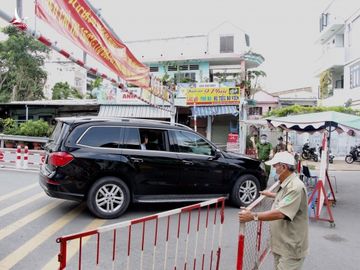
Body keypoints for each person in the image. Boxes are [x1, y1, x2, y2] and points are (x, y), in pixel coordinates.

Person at [239, 151, 309, 270]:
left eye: (275, 166)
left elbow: (281, 212)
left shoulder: (295, 186)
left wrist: (253, 216)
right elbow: (285, 199)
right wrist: (271, 194)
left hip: (291, 248)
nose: (273, 169)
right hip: (282, 244)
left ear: (284, 167)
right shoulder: (287, 184)